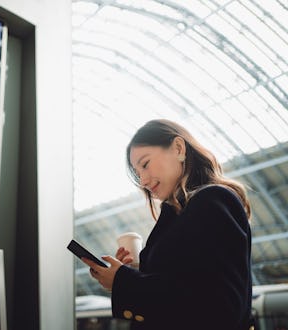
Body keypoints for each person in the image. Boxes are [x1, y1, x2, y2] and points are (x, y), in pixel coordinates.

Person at [82, 119, 254, 330]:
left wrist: (124, 282)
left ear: (179, 148)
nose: (143, 181)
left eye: (145, 164)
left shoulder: (212, 200)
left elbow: (220, 306)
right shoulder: (181, 213)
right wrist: (135, 272)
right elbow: (187, 285)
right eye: (138, 173)